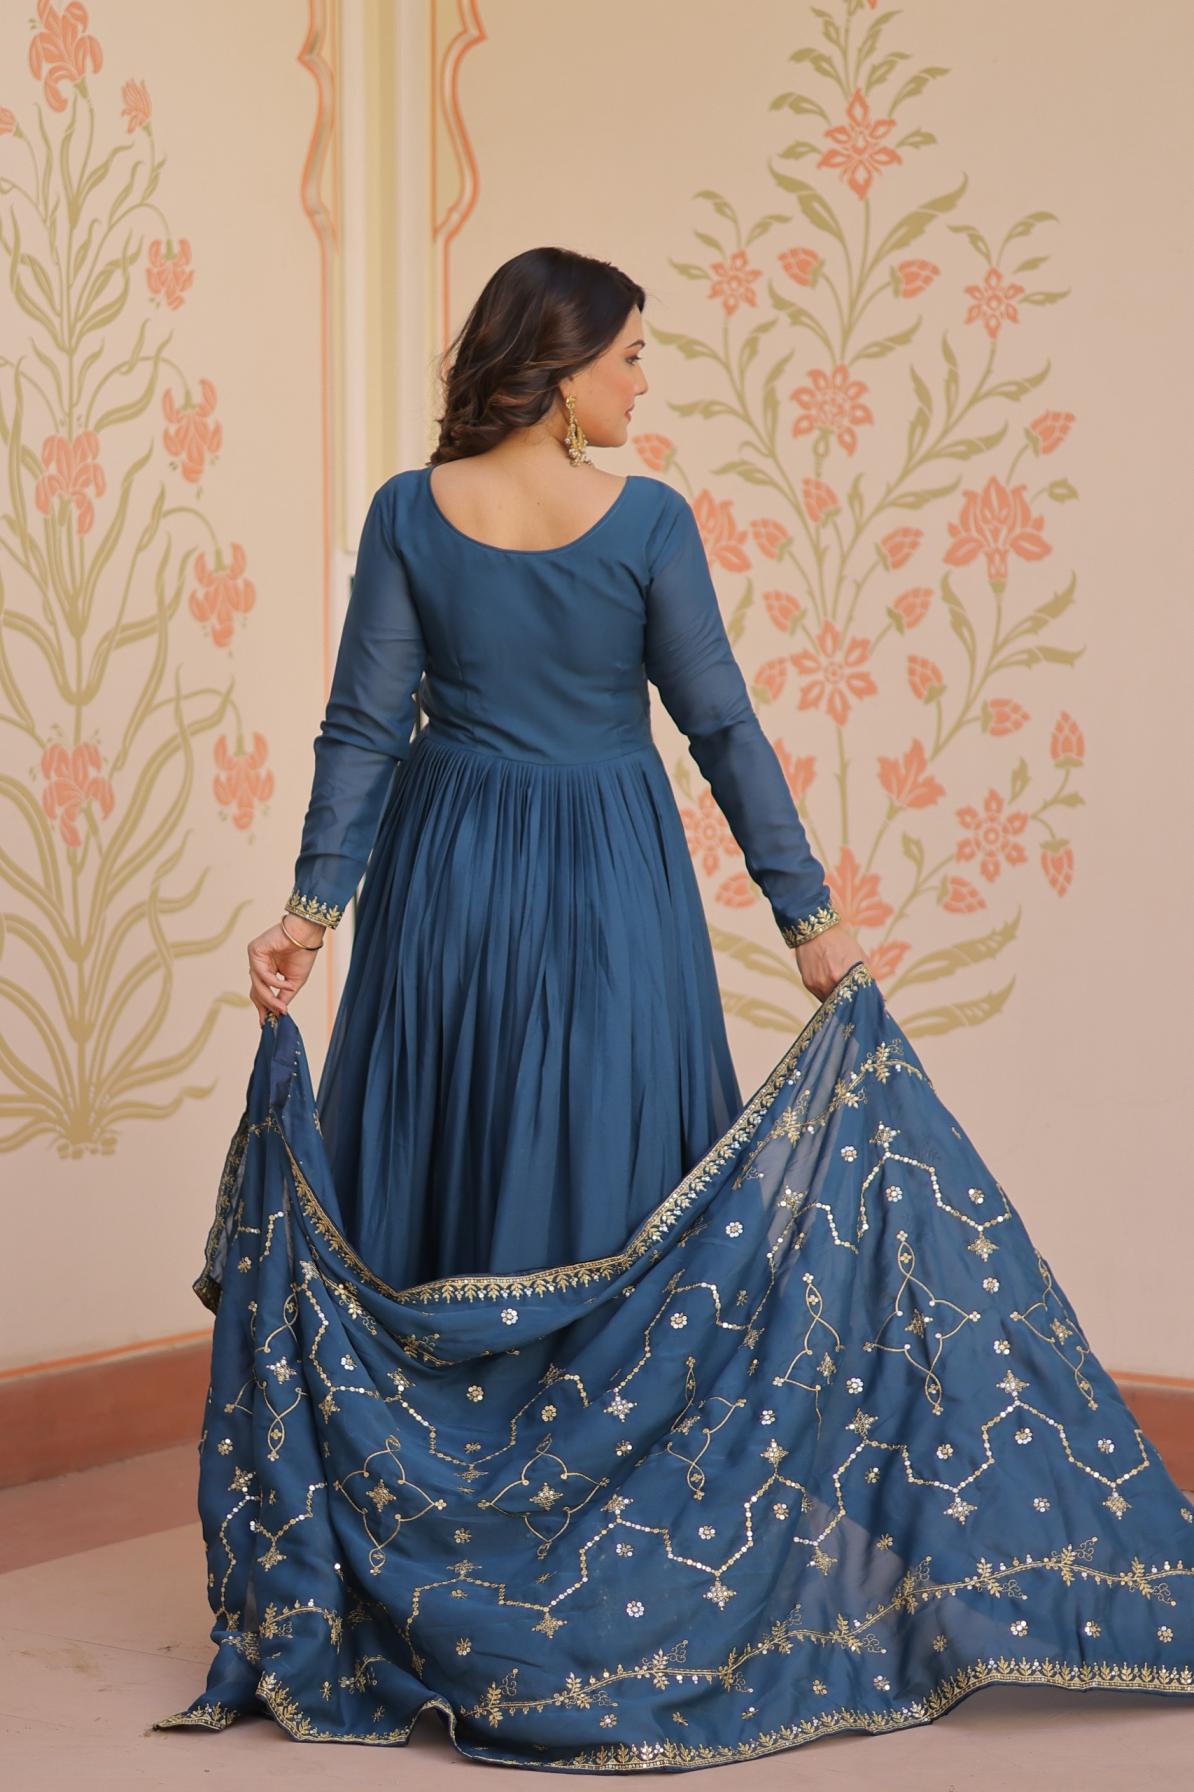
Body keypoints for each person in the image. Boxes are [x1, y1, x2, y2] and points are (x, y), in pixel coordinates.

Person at [156, 249, 1192, 1766]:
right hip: (604, 888)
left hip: (444, 889)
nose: (645, 382)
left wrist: (312, 914)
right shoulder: (643, 521)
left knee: (456, 1173)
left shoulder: (407, 512)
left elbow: (363, 727)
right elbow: (721, 727)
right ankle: (601, 1560)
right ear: (558, 363)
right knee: (608, 1175)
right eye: (631, 355)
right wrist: (812, 923)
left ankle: (443, 1568)